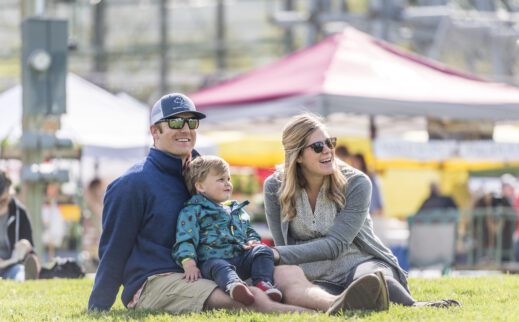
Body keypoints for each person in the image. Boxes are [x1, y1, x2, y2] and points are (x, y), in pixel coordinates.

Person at [88, 93, 389, 314]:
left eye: (191, 121)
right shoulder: (131, 185)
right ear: (155, 131)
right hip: (158, 280)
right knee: (239, 296)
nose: (185, 129)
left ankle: (338, 303)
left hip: (213, 266)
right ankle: (312, 316)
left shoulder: (202, 173)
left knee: (286, 273)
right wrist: (98, 307)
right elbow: (113, 251)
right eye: (174, 122)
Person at [264, 113, 460, 308]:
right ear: (297, 156)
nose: (328, 151)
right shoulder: (274, 187)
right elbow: (284, 249)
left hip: (358, 262)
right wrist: (278, 255)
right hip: (312, 277)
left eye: (329, 143)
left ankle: (416, 306)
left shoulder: (357, 182)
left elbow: (335, 245)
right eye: (317, 147)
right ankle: (340, 302)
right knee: (296, 284)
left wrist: (276, 253)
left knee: (373, 277)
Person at [173, 155, 282, 306]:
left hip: (240, 257)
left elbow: (247, 229)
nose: (227, 184)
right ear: (200, 186)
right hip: (212, 262)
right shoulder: (193, 210)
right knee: (219, 266)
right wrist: (189, 263)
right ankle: (235, 286)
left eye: (228, 179)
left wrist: (252, 240)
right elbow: (186, 238)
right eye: (220, 180)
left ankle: (263, 284)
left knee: (263, 250)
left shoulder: (234, 208)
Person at [0, 170, 40, 281]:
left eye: (3, 201)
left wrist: (25, 246)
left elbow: (31, 246)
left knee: (19, 271)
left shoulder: (19, 212)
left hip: (12, 265)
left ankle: (26, 278)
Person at [42, 182, 66, 260]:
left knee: (53, 239)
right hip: (46, 217)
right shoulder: (43, 198)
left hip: (54, 218)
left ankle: (51, 258)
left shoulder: (58, 197)